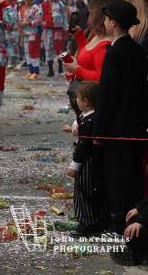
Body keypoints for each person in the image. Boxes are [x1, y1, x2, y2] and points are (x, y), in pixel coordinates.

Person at [93, 0, 148, 233]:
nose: (104, 22)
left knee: (116, 177)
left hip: (116, 129)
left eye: (106, 19)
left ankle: (119, 223)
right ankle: (133, 217)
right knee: (133, 174)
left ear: (113, 22)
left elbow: (107, 96)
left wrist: (98, 131)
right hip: (136, 125)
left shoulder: (115, 52)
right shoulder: (136, 49)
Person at [66, 83, 108, 237]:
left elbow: (83, 146)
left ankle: (87, 223)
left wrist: (74, 166)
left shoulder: (88, 120)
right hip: (95, 162)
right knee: (96, 192)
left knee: (83, 192)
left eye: (77, 97)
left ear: (86, 101)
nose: (75, 101)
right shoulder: (93, 117)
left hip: (87, 164)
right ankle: (99, 221)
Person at [63, 0, 112, 115]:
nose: (88, 16)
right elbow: (88, 53)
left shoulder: (105, 43)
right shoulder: (98, 36)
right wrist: (79, 36)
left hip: (93, 104)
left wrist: (77, 69)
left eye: (90, 12)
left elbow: (101, 77)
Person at [41, 0, 67, 77]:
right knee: (48, 49)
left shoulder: (60, 4)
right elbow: (40, 18)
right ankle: (50, 69)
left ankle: (60, 67)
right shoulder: (43, 5)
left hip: (58, 30)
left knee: (59, 49)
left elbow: (65, 17)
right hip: (47, 31)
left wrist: (66, 30)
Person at [18, 0, 43, 79]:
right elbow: (19, 21)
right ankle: (30, 71)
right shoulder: (21, 8)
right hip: (25, 34)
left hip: (34, 33)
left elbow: (39, 21)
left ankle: (36, 72)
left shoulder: (36, 8)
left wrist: (28, 23)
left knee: (33, 51)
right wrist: (21, 32)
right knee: (27, 52)